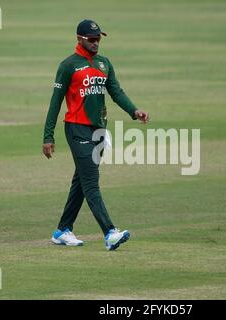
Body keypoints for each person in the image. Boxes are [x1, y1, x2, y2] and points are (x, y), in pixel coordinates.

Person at [42, 19, 149, 250]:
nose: (96, 43)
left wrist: (134, 110)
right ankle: (110, 233)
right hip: (76, 128)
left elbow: (116, 91)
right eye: (91, 39)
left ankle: (62, 230)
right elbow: (55, 103)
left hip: (98, 130)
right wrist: (48, 136)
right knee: (91, 183)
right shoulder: (68, 65)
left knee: (81, 181)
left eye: (98, 38)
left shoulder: (104, 63)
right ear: (79, 39)